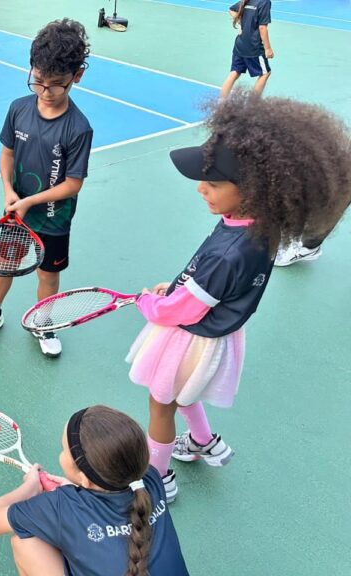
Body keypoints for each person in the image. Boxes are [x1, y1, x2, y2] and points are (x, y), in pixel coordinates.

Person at [127, 93, 351, 502]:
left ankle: (156, 480)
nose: (200, 190)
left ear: (249, 189)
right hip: (217, 334)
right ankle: (202, 440)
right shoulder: (258, 224)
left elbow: (182, 308)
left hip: (191, 338)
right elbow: (205, 283)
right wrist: (177, 284)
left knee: (162, 404)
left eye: (212, 184)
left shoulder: (229, 251)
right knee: (183, 391)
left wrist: (150, 303)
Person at [0, 19, 94, 358]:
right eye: (38, 81)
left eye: (56, 85)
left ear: (77, 76)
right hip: (16, 214)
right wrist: (9, 190)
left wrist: (31, 200)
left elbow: (73, 183)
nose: (45, 91)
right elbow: (7, 154)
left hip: (54, 219)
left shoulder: (78, 128)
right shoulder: (18, 109)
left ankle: (44, 321)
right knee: (3, 265)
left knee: (48, 275)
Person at [0, 406, 188, 576]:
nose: (62, 453)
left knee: (24, 542)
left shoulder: (62, 506)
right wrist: (76, 490)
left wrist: (30, 486)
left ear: (85, 479)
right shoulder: (149, 477)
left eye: (64, 450)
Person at [220, 1, 274, 98]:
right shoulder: (265, 2)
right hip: (254, 47)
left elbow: (231, 10)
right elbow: (262, 28)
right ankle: (252, 104)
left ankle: (221, 103)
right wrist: (268, 48)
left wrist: (241, 24)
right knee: (265, 73)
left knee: (234, 73)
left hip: (239, 45)